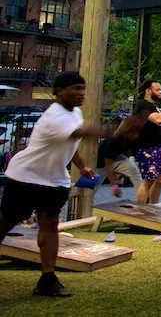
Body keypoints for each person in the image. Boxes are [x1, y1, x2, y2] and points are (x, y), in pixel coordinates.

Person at [0, 73, 112, 298]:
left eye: (83, 88)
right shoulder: (53, 116)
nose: (81, 93)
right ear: (59, 91)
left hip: (54, 181)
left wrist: (81, 166)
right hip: (25, 178)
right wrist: (101, 131)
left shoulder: (75, 113)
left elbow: (71, 142)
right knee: (6, 223)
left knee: (50, 225)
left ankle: (47, 280)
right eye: (75, 88)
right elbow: (77, 133)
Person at [92, 109, 147, 196]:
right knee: (89, 189)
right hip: (100, 163)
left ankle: (143, 198)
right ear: (127, 131)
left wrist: (124, 171)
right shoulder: (113, 140)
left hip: (117, 158)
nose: (136, 136)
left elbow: (128, 153)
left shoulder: (134, 139)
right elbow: (107, 166)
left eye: (138, 133)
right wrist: (114, 186)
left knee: (134, 170)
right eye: (134, 133)